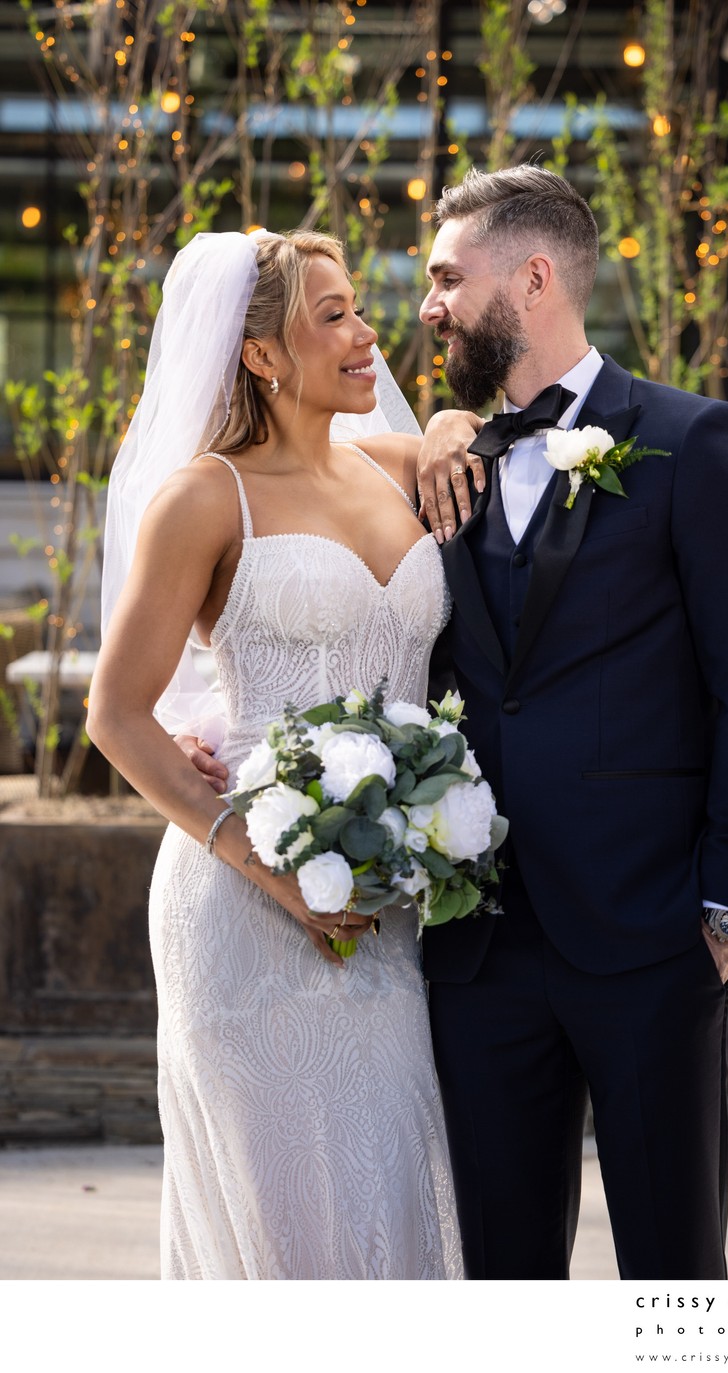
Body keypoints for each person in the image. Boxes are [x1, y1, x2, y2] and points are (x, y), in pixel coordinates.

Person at [410, 165, 728, 1280]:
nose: (428, 304)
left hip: (651, 934)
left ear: (532, 278)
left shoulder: (694, 442)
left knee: (672, 1270)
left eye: (447, 276)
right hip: (479, 940)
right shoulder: (451, 464)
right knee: (504, 1273)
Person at [87, 227, 475, 1280]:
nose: (366, 338)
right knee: (288, 1234)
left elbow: (462, 433)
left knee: (392, 1195)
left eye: (359, 308)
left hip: (388, 909)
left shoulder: (394, 463)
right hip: (248, 902)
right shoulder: (206, 496)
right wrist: (279, 875)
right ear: (259, 353)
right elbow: (116, 715)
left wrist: (445, 419)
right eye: (333, 316)